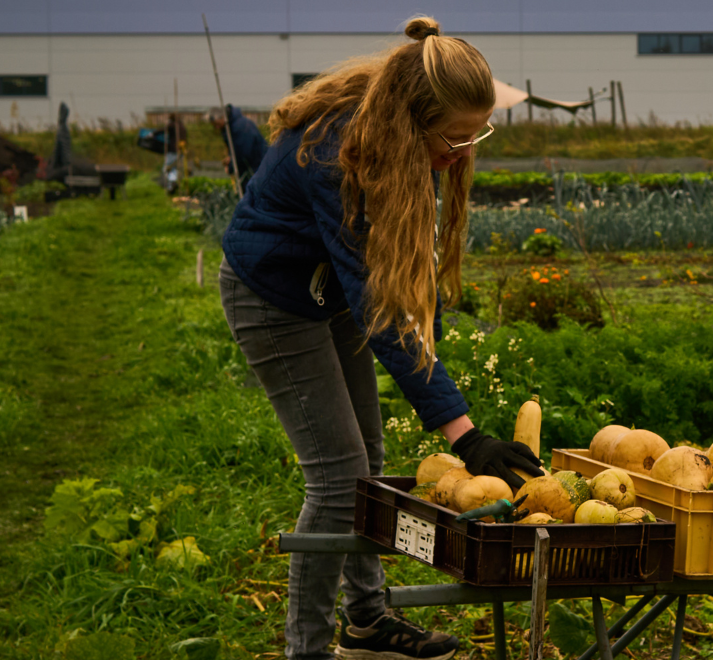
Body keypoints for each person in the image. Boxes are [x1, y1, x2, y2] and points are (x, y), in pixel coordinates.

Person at [217, 16, 535, 660]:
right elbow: (382, 308)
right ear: (410, 120)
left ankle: (367, 619)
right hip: (274, 299)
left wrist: (438, 373)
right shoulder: (343, 158)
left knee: (368, 458)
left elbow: (408, 278)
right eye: (454, 137)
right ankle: (305, 648)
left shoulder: (401, 131)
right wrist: (464, 436)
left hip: (326, 289)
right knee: (338, 479)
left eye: (479, 133)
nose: (466, 150)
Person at [210, 104, 269, 183]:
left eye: (217, 124)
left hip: (257, 166)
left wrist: (231, 167)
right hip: (254, 166)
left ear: (222, 117)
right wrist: (230, 158)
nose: (216, 128)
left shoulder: (239, 127)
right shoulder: (231, 126)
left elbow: (242, 153)